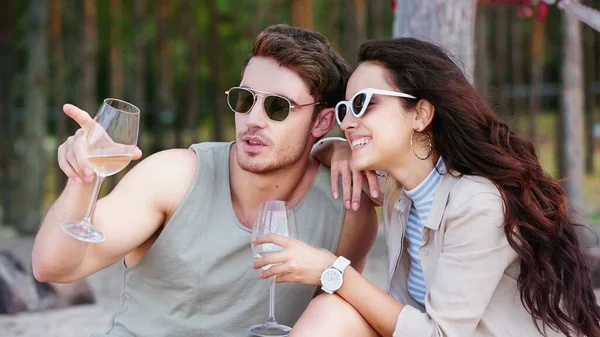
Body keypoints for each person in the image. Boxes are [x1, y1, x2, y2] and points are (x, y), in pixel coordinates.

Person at [31, 24, 378, 337]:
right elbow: (52, 267)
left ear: (321, 122)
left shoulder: (346, 211)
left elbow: (331, 314)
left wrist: (339, 147)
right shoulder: (174, 176)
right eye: (244, 100)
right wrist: (83, 179)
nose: (252, 119)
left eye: (278, 107)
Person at [252, 37, 600, 337]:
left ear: (420, 114)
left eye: (363, 104)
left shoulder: (477, 203)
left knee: (335, 301)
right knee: (331, 311)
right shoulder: (401, 190)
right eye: (344, 109)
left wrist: (333, 270)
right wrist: (339, 148)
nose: (348, 122)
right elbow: (318, 150)